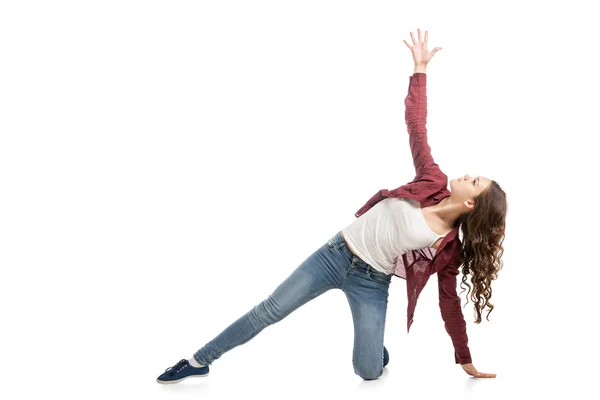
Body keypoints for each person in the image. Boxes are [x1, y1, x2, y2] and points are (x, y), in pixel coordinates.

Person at [157, 28, 505, 384]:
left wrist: (465, 360)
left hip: (372, 280)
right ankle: (199, 359)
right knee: (269, 310)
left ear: (470, 203)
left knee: (369, 372)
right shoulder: (432, 179)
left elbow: (450, 304)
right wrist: (420, 71)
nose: (468, 175)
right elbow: (416, 127)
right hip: (334, 253)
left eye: (475, 181)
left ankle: (374, 352)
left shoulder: (447, 248)